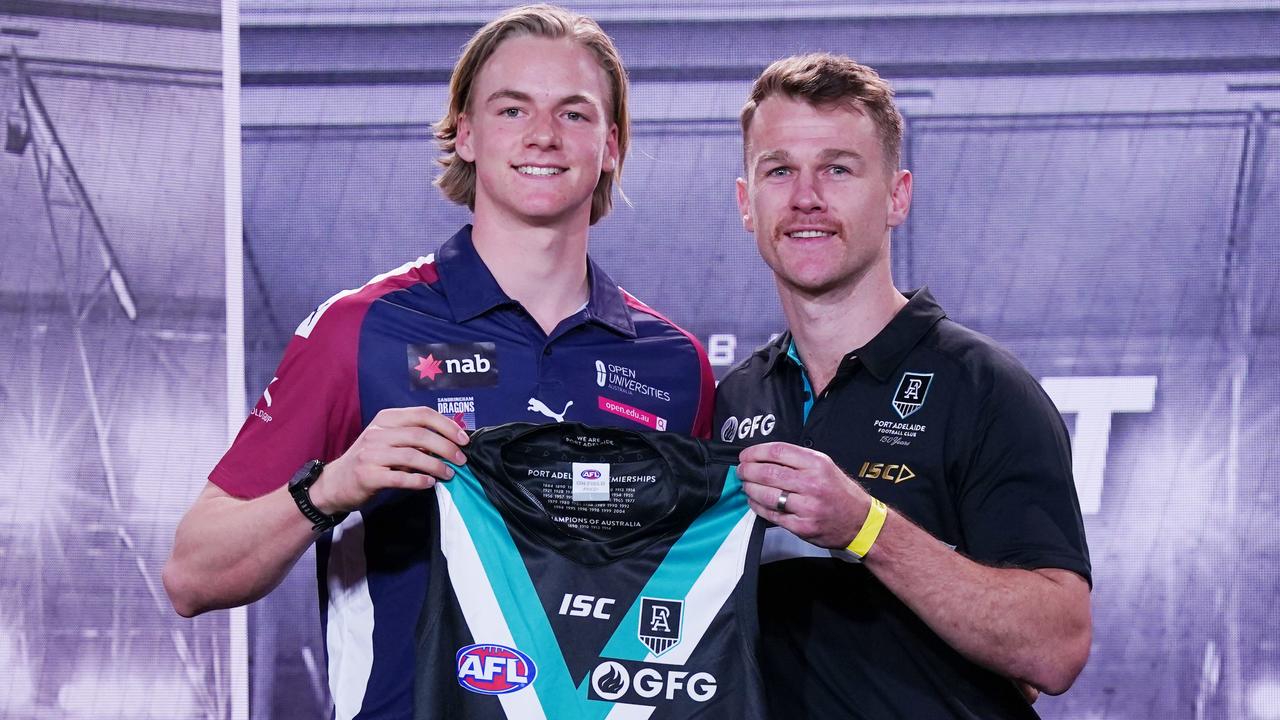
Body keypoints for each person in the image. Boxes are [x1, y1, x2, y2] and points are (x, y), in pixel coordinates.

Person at [163, 6, 714, 719]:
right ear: (466, 134)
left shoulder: (674, 364)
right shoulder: (359, 329)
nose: (544, 135)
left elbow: (689, 599)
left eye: (574, 114)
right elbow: (191, 577)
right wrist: (333, 487)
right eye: (512, 109)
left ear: (611, 145)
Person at [714, 53, 1092, 719]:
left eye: (838, 168)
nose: (806, 197)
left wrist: (866, 529)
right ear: (747, 203)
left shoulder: (983, 387)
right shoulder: (733, 401)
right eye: (779, 170)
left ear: (897, 195)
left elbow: (1053, 650)